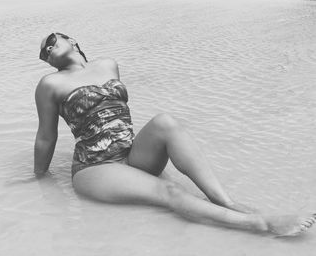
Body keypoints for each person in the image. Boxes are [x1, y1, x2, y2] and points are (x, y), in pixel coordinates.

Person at [34, 32, 315, 237]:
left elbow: (116, 111)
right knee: (169, 190)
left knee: (165, 121)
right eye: (43, 53)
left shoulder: (108, 64)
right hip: (95, 167)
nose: (46, 50)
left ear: (71, 40)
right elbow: (47, 137)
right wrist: (38, 180)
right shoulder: (50, 83)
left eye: (50, 41)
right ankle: (261, 225)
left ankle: (224, 201)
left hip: (132, 155)